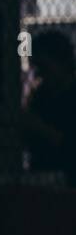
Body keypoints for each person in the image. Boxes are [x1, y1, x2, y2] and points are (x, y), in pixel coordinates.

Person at [22, 29, 76, 183]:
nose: (39, 74)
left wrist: (39, 127)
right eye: (36, 68)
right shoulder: (41, 96)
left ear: (62, 63)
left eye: (44, 67)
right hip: (43, 177)